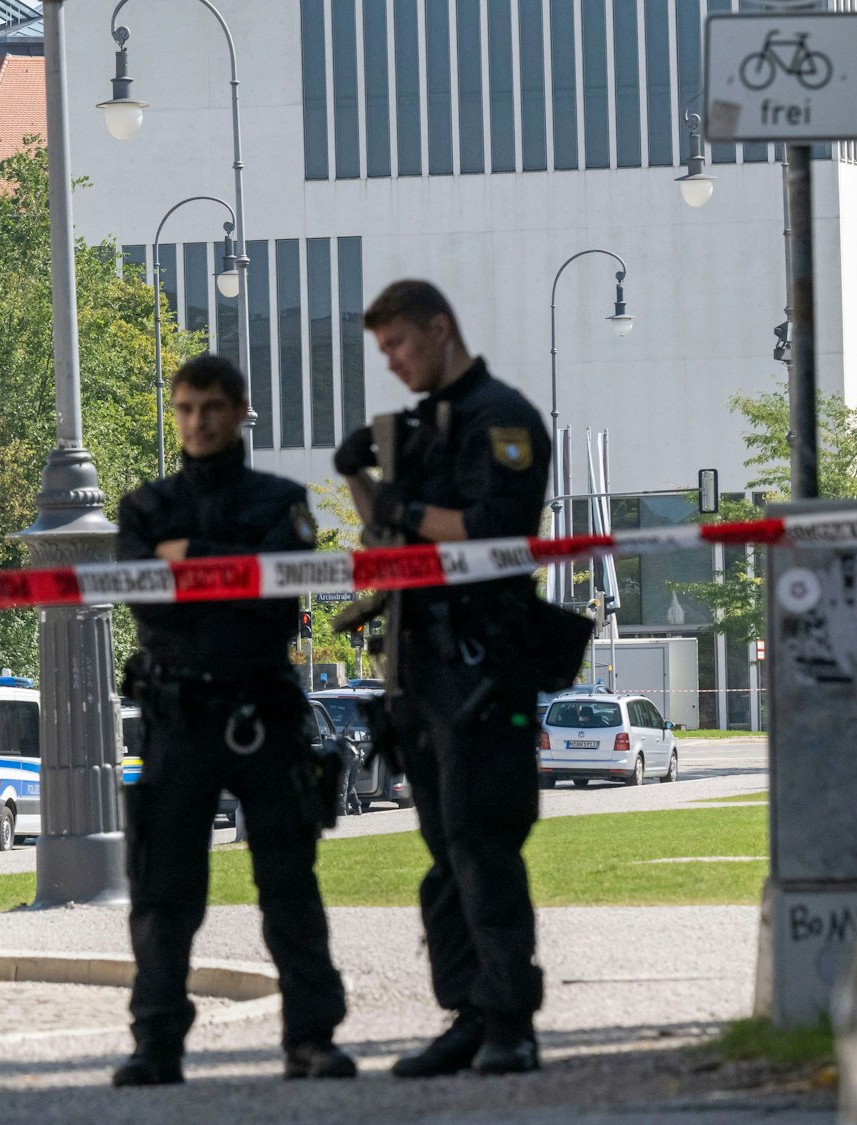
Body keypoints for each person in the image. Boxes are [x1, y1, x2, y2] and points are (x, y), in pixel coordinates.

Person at [114, 352, 352, 1086]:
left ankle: (311, 1038)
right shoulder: (145, 508)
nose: (198, 422)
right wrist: (231, 566)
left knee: (289, 884)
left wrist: (191, 560)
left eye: (212, 407)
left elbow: (275, 601)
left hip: (263, 710)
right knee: (163, 893)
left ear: (239, 412)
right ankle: (156, 1044)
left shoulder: (282, 500)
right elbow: (149, 602)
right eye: (186, 408)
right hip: (178, 715)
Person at [334, 280, 553, 1076]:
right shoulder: (422, 429)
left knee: (481, 843)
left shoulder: (503, 418)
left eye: (398, 344)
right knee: (445, 853)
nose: (391, 361)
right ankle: (468, 1011)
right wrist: (360, 477)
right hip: (420, 664)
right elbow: (387, 536)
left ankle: (510, 1022)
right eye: (383, 349)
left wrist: (402, 504)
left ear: (439, 328)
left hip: (484, 662)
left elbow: (497, 528)